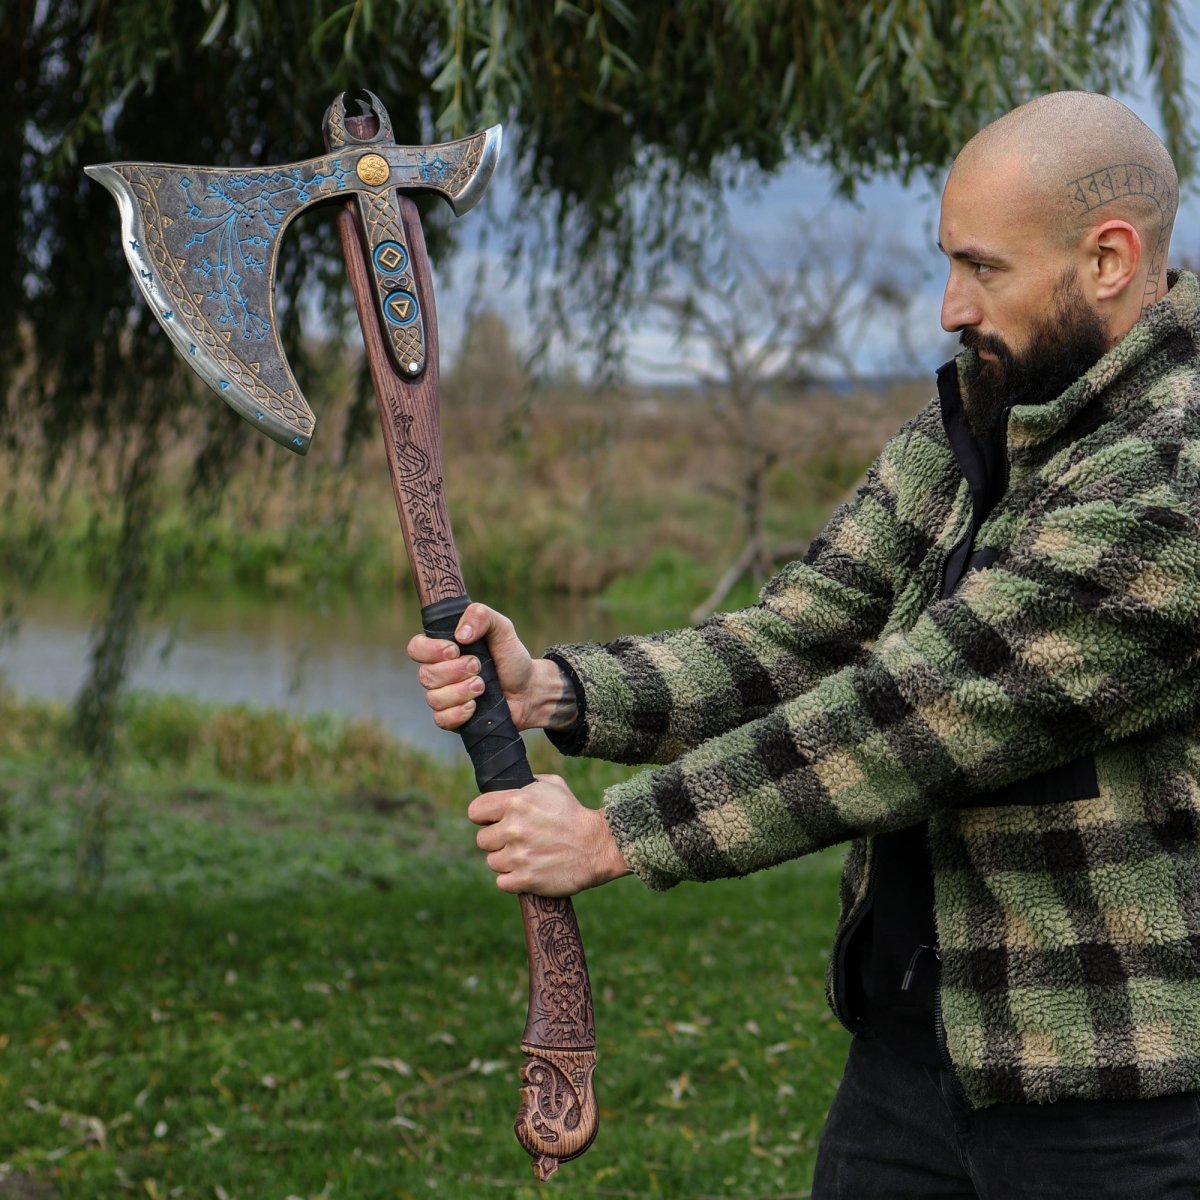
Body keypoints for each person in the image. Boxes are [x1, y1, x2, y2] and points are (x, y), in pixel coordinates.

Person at [408, 91, 1200, 1198]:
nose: (947, 305)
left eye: (984, 268)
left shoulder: (1173, 480)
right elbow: (806, 633)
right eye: (947, 261)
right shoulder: (981, 415)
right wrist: (559, 690)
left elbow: (920, 717)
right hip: (908, 1068)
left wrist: (616, 836)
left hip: (1112, 1106)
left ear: (1109, 260)